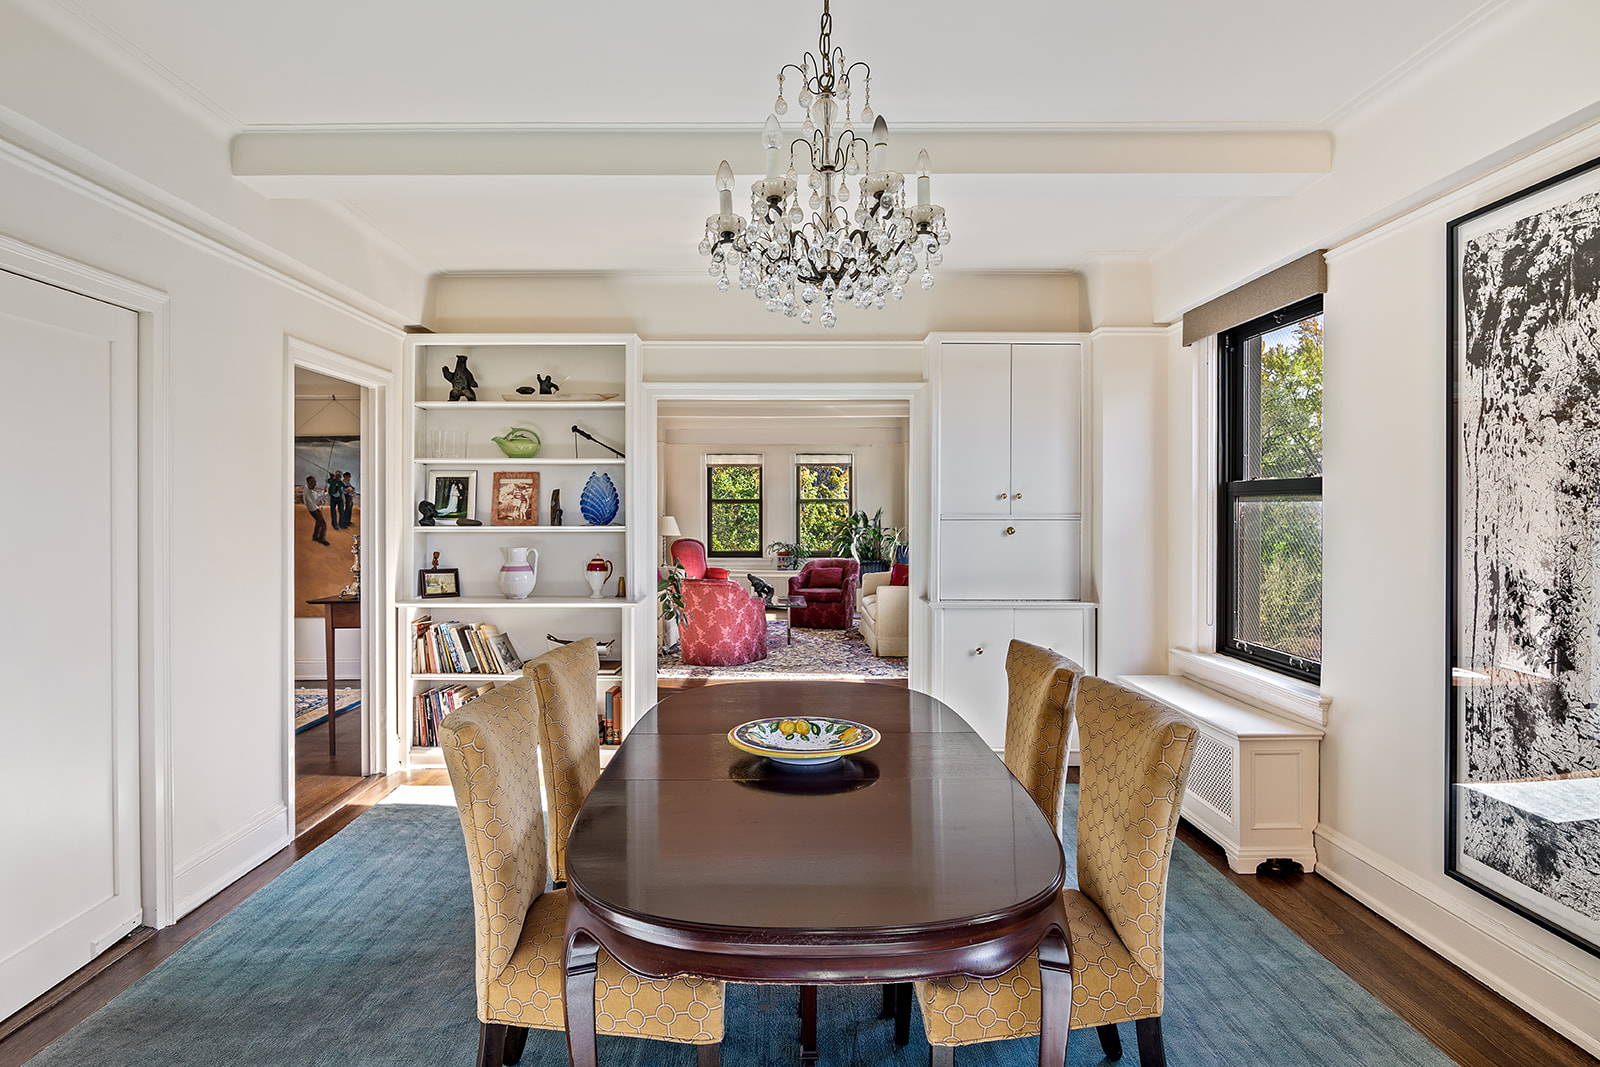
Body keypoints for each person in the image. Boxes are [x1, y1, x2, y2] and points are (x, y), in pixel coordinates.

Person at [304, 476, 329, 545]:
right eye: (313, 483)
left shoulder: (309, 489)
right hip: (313, 509)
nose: (315, 484)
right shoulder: (307, 492)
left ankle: (315, 536)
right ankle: (321, 539)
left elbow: (315, 494)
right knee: (323, 524)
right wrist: (318, 503)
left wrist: (323, 491)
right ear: (309, 482)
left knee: (318, 522)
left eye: (315, 482)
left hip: (314, 508)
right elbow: (313, 500)